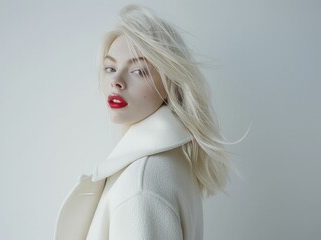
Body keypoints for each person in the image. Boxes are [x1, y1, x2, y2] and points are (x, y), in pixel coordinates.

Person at [54, 4, 239, 240]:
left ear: (168, 83)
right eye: (110, 68)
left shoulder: (140, 186)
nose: (116, 81)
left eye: (138, 71)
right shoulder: (170, 161)